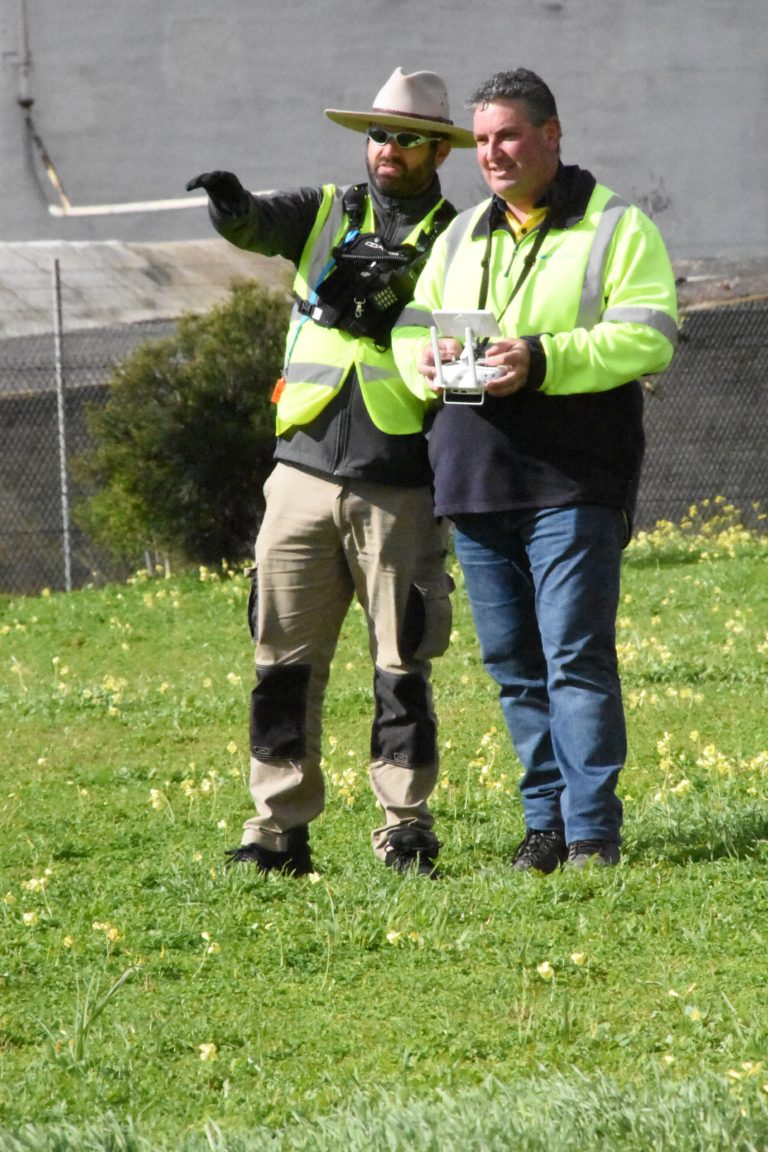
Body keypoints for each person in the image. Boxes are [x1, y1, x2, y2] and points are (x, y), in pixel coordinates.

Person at [186, 68, 475, 877]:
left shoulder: (463, 238)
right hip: (301, 473)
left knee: (402, 665)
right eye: (380, 135)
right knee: (280, 663)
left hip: (399, 476)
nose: (389, 150)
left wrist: (402, 310)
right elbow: (256, 226)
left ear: (437, 151)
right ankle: (275, 830)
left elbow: (469, 366)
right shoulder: (324, 211)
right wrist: (230, 204)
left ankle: (405, 826)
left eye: (408, 138)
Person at [392, 68, 678, 871]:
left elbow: (649, 335)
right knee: (514, 665)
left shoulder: (618, 227)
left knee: (574, 656)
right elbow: (408, 337)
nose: (492, 153)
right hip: (475, 478)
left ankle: (592, 834)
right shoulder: (458, 236)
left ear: (552, 135)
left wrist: (541, 358)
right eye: (481, 141)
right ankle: (544, 825)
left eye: (508, 135)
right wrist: (429, 358)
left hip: (573, 480)